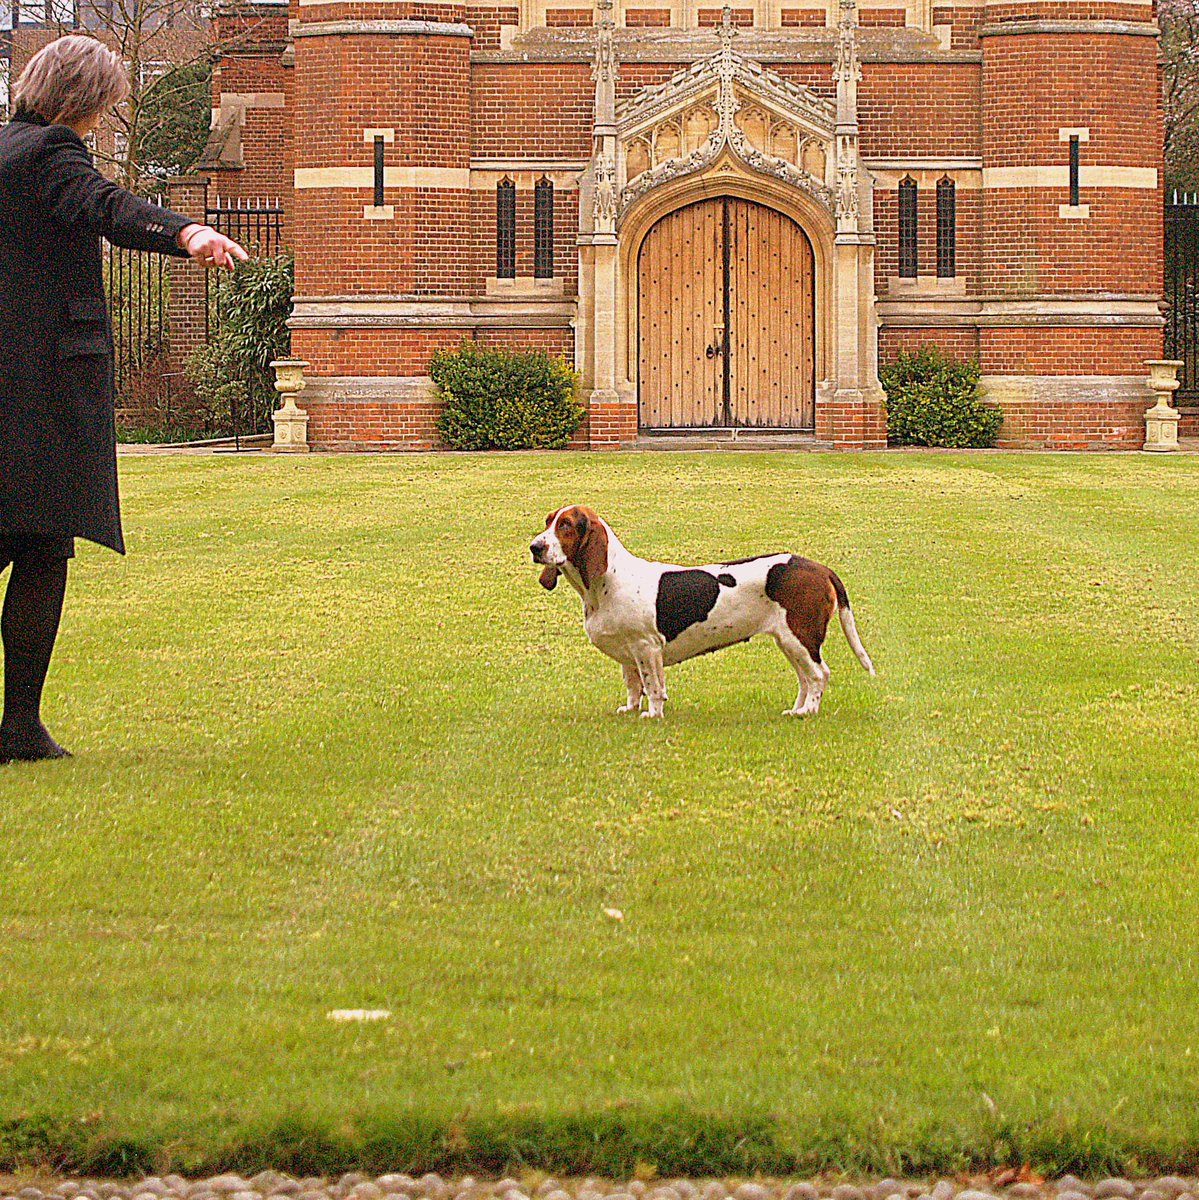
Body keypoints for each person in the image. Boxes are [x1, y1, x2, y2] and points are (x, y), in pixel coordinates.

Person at [0, 35, 249, 765]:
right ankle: (17, 727)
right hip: (39, 383)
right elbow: (103, 204)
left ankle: (19, 730)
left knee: (33, 535)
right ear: (86, 100)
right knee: (41, 539)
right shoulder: (51, 154)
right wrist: (187, 230)